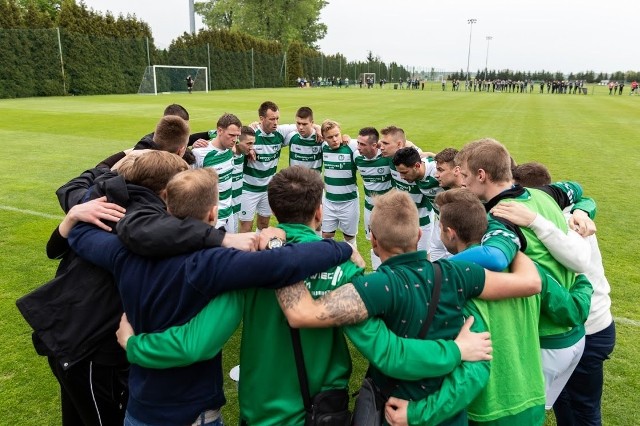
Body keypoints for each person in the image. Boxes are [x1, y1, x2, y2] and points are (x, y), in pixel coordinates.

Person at [116, 167, 495, 426]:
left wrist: (134, 344)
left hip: (262, 411)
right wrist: (458, 351)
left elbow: (196, 344)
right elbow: (386, 352)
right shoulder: (346, 269)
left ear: (274, 211)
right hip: (322, 412)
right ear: (319, 211)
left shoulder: (246, 265)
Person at [66, 154, 356, 426]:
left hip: (147, 405)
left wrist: (75, 213)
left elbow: (80, 235)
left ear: (167, 204)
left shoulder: (125, 254)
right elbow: (279, 265)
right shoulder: (216, 264)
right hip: (200, 409)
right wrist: (342, 248)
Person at [275, 189, 543, 426]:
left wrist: (278, 250)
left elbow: (301, 313)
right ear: (418, 235)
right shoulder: (460, 274)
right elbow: (530, 283)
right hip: (450, 416)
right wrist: (509, 240)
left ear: (373, 240)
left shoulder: (371, 287)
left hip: (393, 409)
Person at [452, 138, 595, 410]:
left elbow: (495, 257)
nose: (463, 183)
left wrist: (438, 267)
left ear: (482, 175)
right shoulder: (544, 193)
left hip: (545, 337)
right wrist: (582, 209)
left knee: (524, 410)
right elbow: (576, 187)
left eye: (467, 176)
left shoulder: (500, 214)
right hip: (573, 333)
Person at [508, 162, 615, 426]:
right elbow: (583, 196)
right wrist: (584, 206)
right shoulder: (569, 212)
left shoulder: (563, 223)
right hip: (591, 324)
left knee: (580, 409)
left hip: (585, 327)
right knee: (569, 405)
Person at [239, 101, 297, 232]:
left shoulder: (280, 132)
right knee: (246, 227)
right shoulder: (251, 134)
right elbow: (236, 146)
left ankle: (260, 251)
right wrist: (247, 149)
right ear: (261, 119)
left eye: (277, 118)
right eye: (272, 119)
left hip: (268, 189)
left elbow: (303, 125)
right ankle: (246, 252)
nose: (276, 122)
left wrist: (316, 128)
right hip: (248, 189)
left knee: (264, 224)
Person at [392, 147, 446, 260]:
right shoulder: (418, 168)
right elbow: (401, 140)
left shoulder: (437, 172)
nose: (402, 177)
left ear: (417, 166)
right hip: (440, 220)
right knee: (436, 256)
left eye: (404, 172)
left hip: (455, 222)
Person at [192, 113, 242, 231]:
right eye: (231, 135)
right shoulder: (200, 153)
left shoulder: (230, 148)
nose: (235, 140)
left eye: (237, 135)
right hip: (212, 217)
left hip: (229, 213)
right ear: (219, 131)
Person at [353, 127, 392, 269]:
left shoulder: (387, 157)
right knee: (374, 243)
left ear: (375, 145)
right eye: (358, 143)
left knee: (391, 243)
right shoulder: (356, 155)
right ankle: (378, 273)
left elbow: (406, 145)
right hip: (370, 210)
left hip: (388, 210)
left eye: (362, 145)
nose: (358, 147)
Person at [320, 120, 360, 248]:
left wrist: (348, 137)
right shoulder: (323, 147)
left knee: (349, 238)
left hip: (349, 202)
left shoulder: (350, 147)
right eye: (330, 137)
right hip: (329, 201)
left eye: (337, 135)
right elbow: (314, 128)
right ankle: (328, 266)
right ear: (324, 138)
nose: (335, 139)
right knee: (325, 236)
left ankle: (353, 267)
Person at [230, 126, 256, 232]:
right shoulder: (227, 155)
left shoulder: (242, 154)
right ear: (237, 141)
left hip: (236, 207)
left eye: (253, 143)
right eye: (249, 143)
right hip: (224, 210)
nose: (252, 147)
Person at [287, 106, 323, 171]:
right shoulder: (291, 136)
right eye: (298, 123)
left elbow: (337, 142)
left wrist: (346, 137)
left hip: (313, 181)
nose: (300, 127)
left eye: (304, 124)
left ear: (312, 123)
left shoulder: (320, 137)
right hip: (294, 180)